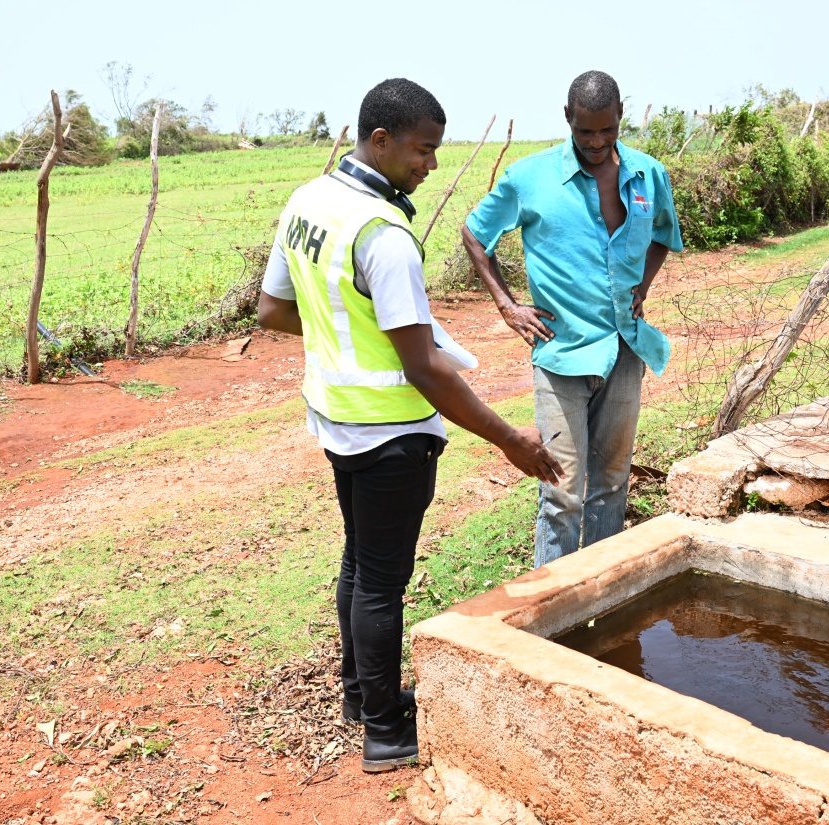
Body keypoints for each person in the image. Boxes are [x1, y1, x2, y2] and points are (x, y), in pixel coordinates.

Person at [257, 78, 562, 773]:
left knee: (358, 563)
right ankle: (388, 732)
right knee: (382, 582)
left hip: (337, 418)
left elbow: (274, 311)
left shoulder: (308, 200)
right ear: (381, 141)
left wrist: (353, 324)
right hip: (392, 431)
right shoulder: (386, 235)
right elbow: (424, 368)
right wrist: (511, 439)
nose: (431, 166)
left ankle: (359, 696)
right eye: (423, 151)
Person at [462, 70, 682, 569]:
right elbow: (476, 235)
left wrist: (641, 287)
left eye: (608, 131)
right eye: (586, 132)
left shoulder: (648, 174)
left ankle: (601, 598)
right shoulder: (530, 177)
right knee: (561, 489)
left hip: (625, 349)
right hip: (561, 353)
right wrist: (506, 304)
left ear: (621, 118)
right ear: (568, 119)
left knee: (611, 482)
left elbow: (663, 236)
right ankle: (554, 607)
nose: (598, 142)